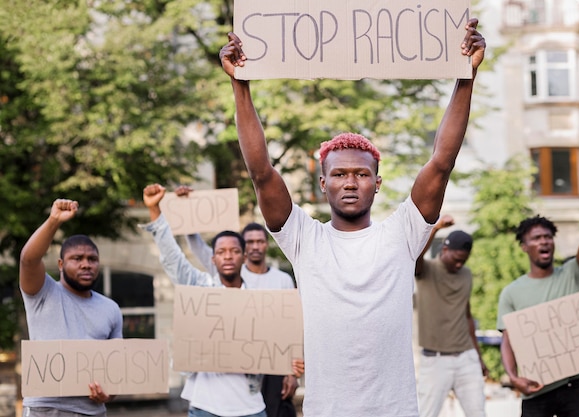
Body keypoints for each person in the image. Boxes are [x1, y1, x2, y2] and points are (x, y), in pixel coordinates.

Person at [219, 18, 486, 417]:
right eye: (340, 174)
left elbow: (441, 162)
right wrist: (240, 83)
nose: (350, 182)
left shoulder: (402, 234)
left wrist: (466, 76)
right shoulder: (304, 239)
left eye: (361, 174)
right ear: (323, 183)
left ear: (377, 184)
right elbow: (261, 172)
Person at [141, 183, 302, 417]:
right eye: (221, 252)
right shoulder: (201, 289)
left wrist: (292, 367)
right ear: (213, 259)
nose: (228, 256)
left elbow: (286, 342)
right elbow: (172, 259)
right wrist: (156, 211)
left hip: (251, 407)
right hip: (205, 406)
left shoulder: (259, 304)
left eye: (234, 251)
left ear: (244, 257)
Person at [496, 185, 579, 417]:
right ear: (524, 247)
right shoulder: (511, 292)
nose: (544, 242)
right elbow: (508, 341)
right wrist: (514, 377)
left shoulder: (572, 272)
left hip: (572, 387)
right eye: (537, 238)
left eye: (548, 237)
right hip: (535, 390)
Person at [19, 199, 123, 417]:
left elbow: (116, 371)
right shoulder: (42, 292)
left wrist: (108, 395)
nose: (86, 264)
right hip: (45, 410)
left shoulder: (111, 309)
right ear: (60, 265)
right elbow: (28, 260)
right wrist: (54, 220)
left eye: (92, 259)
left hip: (92, 412)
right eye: (77, 258)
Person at [414, 214, 488, 417]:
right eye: (456, 260)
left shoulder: (466, 274)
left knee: (478, 413)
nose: (459, 265)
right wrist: (435, 228)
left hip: (466, 357)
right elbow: (416, 255)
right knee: (426, 414)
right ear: (444, 250)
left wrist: (479, 357)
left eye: (463, 261)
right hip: (435, 360)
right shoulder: (426, 270)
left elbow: (466, 316)